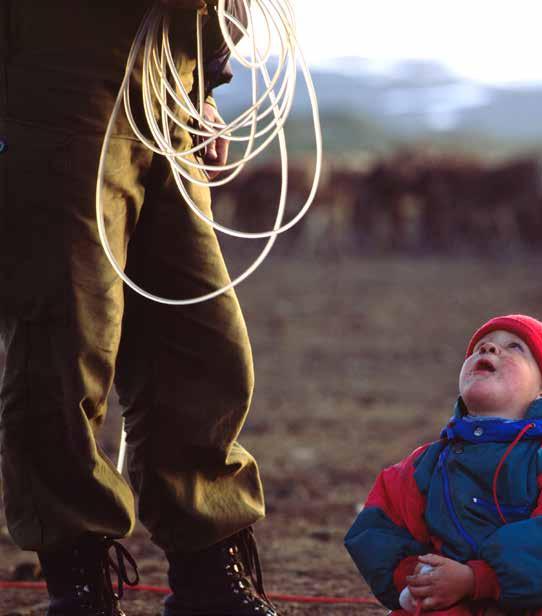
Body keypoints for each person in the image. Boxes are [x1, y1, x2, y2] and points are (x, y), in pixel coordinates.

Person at [0, 1, 278, 615]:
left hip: (167, 82)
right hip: (57, 84)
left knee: (203, 342)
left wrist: (203, 81)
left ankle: (211, 573)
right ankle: (79, 584)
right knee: (67, 340)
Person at [345, 314, 542, 616]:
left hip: (537, 609)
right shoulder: (426, 463)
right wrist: (415, 580)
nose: (488, 348)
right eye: (480, 347)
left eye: (515, 347)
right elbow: (379, 524)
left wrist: (476, 579)